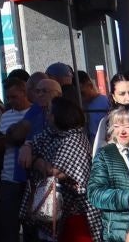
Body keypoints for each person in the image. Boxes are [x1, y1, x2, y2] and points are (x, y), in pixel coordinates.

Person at [0, 73, 59, 242]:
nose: (38, 94)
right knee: (12, 226)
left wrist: (26, 145)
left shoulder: (58, 112)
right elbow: (16, 136)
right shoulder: (32, 112)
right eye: (37, 91)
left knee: (38, 228)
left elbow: (20, 136)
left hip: (47, 179)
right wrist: (24, 143)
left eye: (43, 91)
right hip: (18, 176)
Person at [24, 96, 90, 241]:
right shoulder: (50, 134)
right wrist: (27, 147)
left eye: (49, 111)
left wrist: (36, 160)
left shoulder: (75, 138)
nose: (46, 115)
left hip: (72, 210)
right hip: (50, 208)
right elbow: (28, 150)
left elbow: (55, 172)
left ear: (59, 115)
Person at [85, 106, 129, 242]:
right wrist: (128, 198)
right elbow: (94, 193)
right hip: (117, 234)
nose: (121, 131)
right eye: (116, 126)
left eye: (127, 126)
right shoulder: (106, 154)